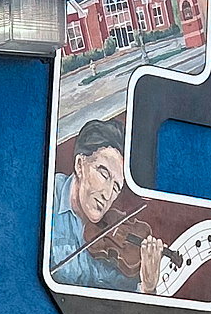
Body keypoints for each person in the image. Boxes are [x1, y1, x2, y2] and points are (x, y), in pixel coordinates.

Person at [48, 119, 162, 295]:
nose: (108, 195)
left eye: (116, 187)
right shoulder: (48, 198)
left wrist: (148, 287)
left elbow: (122, 310)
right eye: (103, 174)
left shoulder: (113, 251)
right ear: (80, 165)